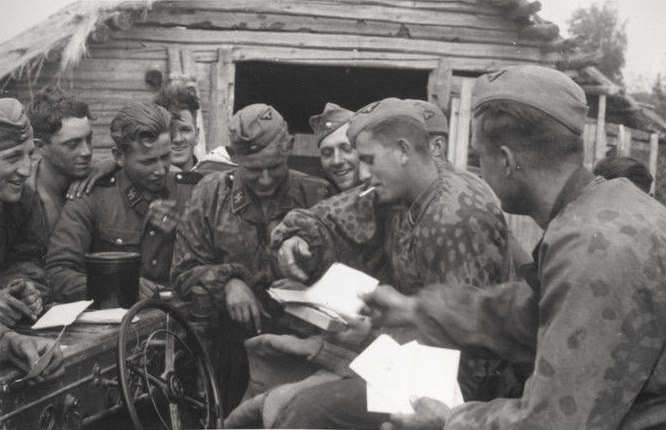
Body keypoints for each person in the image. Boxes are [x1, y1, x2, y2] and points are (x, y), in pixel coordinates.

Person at [363, 65, 666, 429]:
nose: (479, 173)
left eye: (479, 157)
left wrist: (449, 421)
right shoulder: (607, 209)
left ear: (506, 161)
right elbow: (525, 313)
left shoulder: (592, 247)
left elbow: (552, 423)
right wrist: (417, 310)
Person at [263, 98, 515, 429]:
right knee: (282, 397)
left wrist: (445, 418)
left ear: (403, 151)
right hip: (411, 355)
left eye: (369, 160)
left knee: (309, 411)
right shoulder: (403, 189)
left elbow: (468, 355)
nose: (362, 174)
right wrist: (296, 237)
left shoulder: (455, 217)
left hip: (452, 387)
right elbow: (333, 215)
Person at [170, 103, 334, 411]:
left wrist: (310, 286)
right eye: (254, 170)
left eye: (275, 166)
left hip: (299, 351)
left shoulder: (317, 195)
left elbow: (342, 277)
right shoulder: (210, 195)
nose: (266, 179)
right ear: (235, 158)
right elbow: (183, 272)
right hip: (228, 352)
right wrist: (228, 282)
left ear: (289, 148)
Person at [45, 101, 202, 302]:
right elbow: (57, 272)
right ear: (119, 157)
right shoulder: (92, 196)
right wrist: (117, 285)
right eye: (147, 161)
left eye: (165, 157)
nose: (161, 170)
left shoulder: (193, 192)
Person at [0, 97, 64, 381]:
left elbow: (26, 261)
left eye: (29, 154)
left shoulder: (22, 201)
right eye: (13, 157)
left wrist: (22, 289)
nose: (26, 169)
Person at [27, 87, 119, 233]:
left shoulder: (100, 172)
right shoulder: (21, 194)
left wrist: (114, 163)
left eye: (89, 139)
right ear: (40, 146)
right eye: (72, 144)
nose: (86, 152)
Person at [153, 80, 200, 171]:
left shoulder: (212, 178)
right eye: (169, 130)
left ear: (197, 135)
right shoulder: (141, 179)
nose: (178, 139)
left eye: (185, 130)